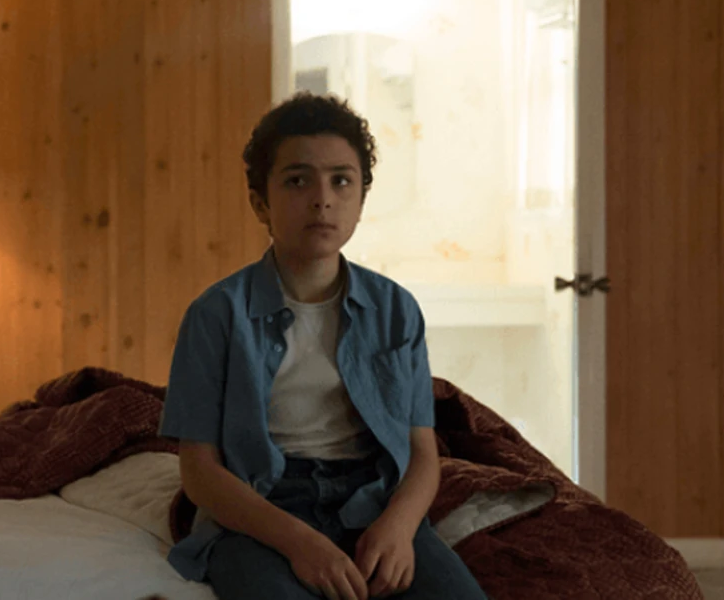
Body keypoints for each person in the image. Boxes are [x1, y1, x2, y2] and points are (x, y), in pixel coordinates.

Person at [159, 93, 487, 600]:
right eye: (297, 180)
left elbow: (422, 451)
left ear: (361, 198)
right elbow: (199, 472)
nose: (322, 198)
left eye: (341, 180)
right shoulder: (216, 314)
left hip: (372, 499)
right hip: (264, 510)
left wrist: (399, 528)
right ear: (260, 203)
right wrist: (300, 543)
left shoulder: (395, 309)